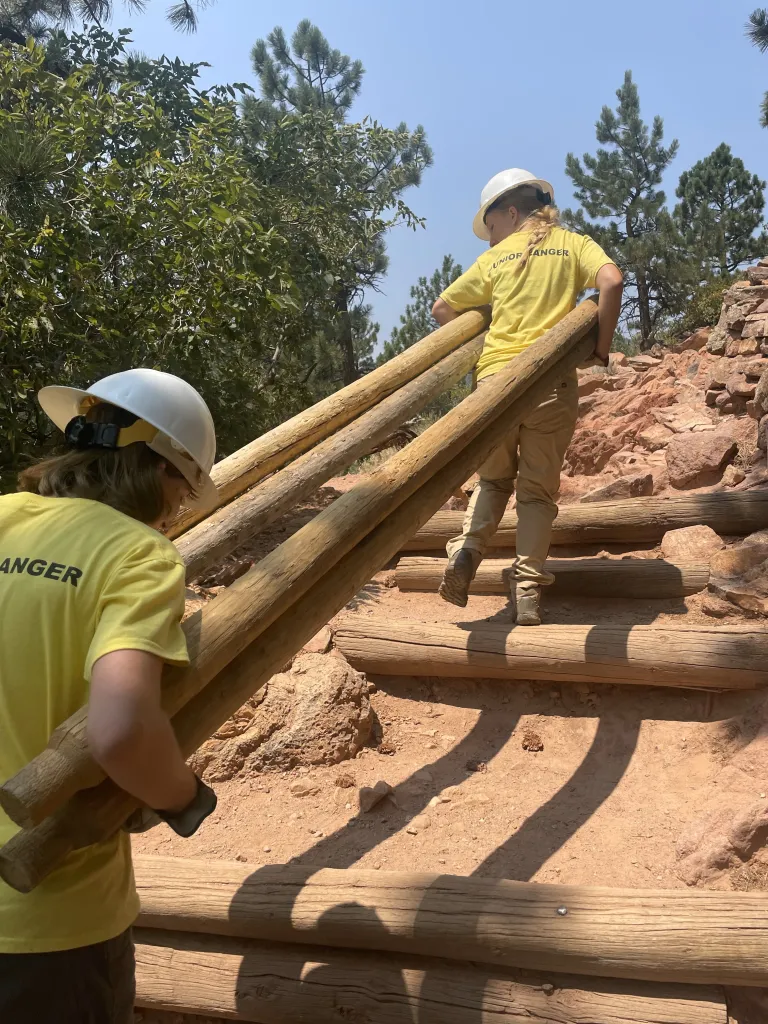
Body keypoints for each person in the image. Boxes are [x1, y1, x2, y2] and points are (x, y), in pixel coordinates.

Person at [0, 368, 221, 1023]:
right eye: (184, 493)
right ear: (160, 472)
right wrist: (181, 797)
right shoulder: (137, 555)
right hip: (46, 920)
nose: (178, 511)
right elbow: (120, 730)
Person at [432, 168, 623, 624]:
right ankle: (528, 591)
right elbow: (612, 282)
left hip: (494, 386)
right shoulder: (573, 243)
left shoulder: (494, 261)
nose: (490, 239)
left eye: (491, 228)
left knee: (494, 481)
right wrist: (599, 348)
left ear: (511, 212)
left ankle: (467, 549)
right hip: (549, 383)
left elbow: (442, 308)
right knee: (536, 493)